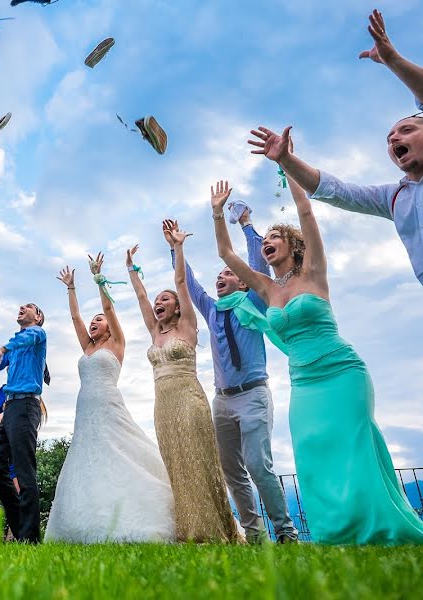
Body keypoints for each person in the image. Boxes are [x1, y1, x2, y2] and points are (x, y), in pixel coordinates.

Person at [213, 174, 423, 545]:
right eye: (265, 241)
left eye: (274, 238)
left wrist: (285, 167)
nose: (267, 244)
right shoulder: (265, 287)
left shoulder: (313, 272)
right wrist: (217, 213)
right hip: (304, 382)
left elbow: (306, 211)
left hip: (342, 372)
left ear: (294, 246)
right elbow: (228, 255)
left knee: (355, 447)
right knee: (312, 451)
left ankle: (380, 525)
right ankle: (335, 533)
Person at [250, 11, 423, 285]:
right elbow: (336, 192)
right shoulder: (395, 197)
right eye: (389, 137)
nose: (393, 139)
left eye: (407, 130)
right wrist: (286, 160)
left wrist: (393, 60)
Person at [166, 204, 298, 544]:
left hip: (253, 394)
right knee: (232, 471)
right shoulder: (211, 310)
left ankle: (285, 531)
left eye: (227, 273)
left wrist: (245, 224)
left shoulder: (253, 301)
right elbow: (189, 283)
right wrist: (174, 248)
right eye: (219, 274)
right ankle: (255, 536)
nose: (220, 277)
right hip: (222, 402)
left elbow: (256, 265)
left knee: (257, 464)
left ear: (242, 281)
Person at [45, 256, 176, 543]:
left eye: (99, 320)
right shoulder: (87, 347)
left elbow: (107, 306)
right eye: (93, 322)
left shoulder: (117, 344)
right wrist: (71, 288)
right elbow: (75, 318)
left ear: (109, 326)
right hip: (85, 410)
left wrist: (98, 278)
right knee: (88, 460)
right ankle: (88, 521)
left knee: (120, 452)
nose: (93, 323)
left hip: (108, 405)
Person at [126, 230, 240, 543]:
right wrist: (131, 270)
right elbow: (140, 298)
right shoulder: (154, 332)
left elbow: (181, 284)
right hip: (162, 406)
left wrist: (177, 248)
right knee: (175, 464)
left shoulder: (187, 327)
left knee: (198, 462)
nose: (158, 303)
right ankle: (187, 529)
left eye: (165, 300)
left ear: (178, 308)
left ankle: (213, 530)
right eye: (158, 300)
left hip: (190, 401)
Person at [0, 302, 48, 544]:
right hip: (10, 408)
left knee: (25, 472)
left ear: (38, 316)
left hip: (26, 406)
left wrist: (1, 348)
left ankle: (31, 539)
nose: (22, 307)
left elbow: (20, 342)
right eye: (21, 306)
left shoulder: (37, 335)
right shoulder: (13, 348)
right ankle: (19, 528)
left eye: (30, 307)